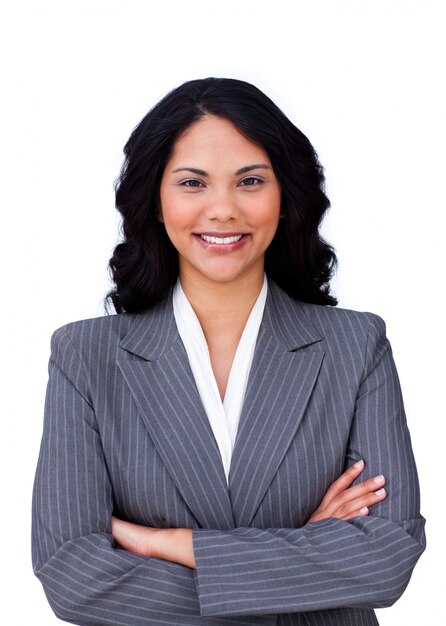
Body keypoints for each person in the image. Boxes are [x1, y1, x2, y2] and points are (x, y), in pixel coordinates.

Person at [32, 77, 425, 626]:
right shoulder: (85, 357)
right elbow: (74, 580)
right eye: (193, 182)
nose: (222, 209)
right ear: (156, 199)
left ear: (285, 196)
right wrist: (304, 555)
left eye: (250, 181)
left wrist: (174, 544)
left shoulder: (355, 346)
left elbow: (386, 558)